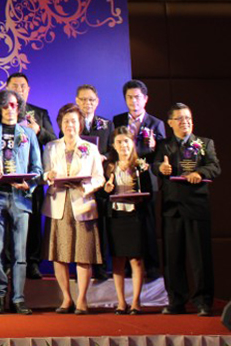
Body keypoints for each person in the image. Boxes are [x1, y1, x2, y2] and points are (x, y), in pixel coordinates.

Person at [154, 103, 221, 317]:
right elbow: (154, 165)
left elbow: (215, 166)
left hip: (196, 206)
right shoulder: (164, 145)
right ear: (170, 122)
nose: (185, 122)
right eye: (180, 119)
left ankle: (203, 302)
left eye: (188, 118)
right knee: (172, 258)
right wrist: (160, 168)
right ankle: (176, 301)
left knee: (200, 258)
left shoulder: (204, 143)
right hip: (172, 208)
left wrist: (200, 173)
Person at [0, 89, 42, 315]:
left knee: (19, 252)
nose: (9, 109)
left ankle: (18, 298)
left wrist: (30, 184)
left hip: (20, 198)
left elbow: (37, 168)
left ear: (19, 108)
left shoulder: (29, 134)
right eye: (5, 105)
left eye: (13, 105)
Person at [42, 103, 104, 315]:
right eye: (66, 121)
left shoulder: (90, 148)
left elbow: (99, 177)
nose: (70, 125)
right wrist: (48, 176)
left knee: (83, 253)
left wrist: (85, 186)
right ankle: (66, 298)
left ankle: (82, 299)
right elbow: (43, 173)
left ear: (80, 124)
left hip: (82, 203)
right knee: (59, 253)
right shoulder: (51, 147)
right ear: (60, 124)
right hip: (58, 203)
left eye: (74, 121)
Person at [112, 79, 166, 280]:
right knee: (126, 222)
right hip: (123, 178)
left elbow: (161, 155)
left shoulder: (156, 123)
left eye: (137, 97)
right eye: (129, 97)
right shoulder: (118, 120)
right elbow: (114, 148)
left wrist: (154, 146)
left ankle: (152, 267)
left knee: (148, 223)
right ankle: (127, 266)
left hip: (147, 179)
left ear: (145, 99)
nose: (133, 101)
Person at [7, 72, 54, 280]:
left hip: (32, 177)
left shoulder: (40, 113)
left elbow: (53, 140)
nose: (19, 89)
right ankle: (10, 263)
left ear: (28, 90)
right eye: (15, 86)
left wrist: (38, 131)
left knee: (33, 222)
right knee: (8, 222)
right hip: (8, 177)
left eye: (23, 86)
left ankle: (32, 263)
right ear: (7, 88)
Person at [103, 126, 152, 315]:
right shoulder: (110, 167)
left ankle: (136, 302)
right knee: (117, 260)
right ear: (114, 145)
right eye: (119, 142)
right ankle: (121, 302)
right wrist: (107, 190)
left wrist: (139, 197)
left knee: (136, 260)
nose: (123, 145)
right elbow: (103, 194)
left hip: (134, 216)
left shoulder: (141, 166)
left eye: (126, 141)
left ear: (132, 143)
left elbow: (150, 193)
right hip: (116, 216)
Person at [74, 84, 115, 280]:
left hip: (100, 182)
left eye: (91, 100)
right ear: (77, 101)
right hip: (79, 183)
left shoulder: (107, 124)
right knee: (81, 227)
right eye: (83, 99)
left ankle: (101, 267)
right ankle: (82, 267)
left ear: (97, 102)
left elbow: (114, 150)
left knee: (102, 226)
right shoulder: (71, 122)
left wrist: (103, 157)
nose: (87, 103)